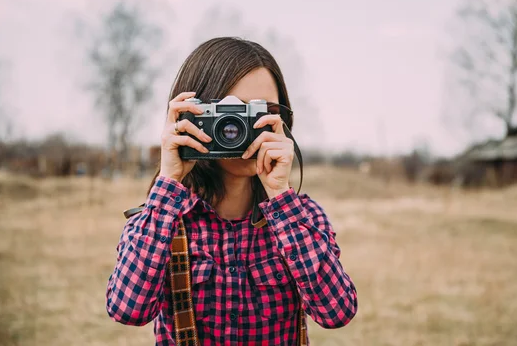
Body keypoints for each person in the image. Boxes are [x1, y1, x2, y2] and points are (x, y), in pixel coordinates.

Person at [105, 37, 358, 345]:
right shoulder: (161, 220)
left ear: (282, 122)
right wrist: (169, 180)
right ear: (191, 117)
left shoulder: (302, 218)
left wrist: (280, 195)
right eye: (228, 114)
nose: (239, 130)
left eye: (258, 113)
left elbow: (337, 312)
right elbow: (127, 310)